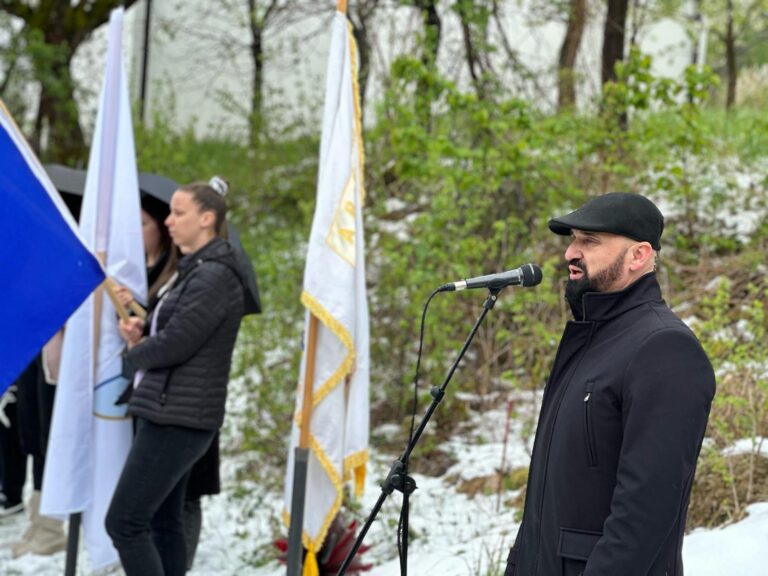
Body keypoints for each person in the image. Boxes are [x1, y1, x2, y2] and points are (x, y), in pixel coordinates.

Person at [505, 192, 716, 576]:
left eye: (589, 241)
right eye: (572, 239)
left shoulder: (665, 348)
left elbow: (644, 514)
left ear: (638, 256)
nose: (571, 252)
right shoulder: (589, 342)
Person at [105, 177, 245, 576]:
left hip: (177, 418)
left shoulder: (215, 275)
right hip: (172, 410)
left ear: (206, 218)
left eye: (178, 212)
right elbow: (173, 333)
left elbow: (178, 343)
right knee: (164, 522)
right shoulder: (195, 270)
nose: (168, 221)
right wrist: (141, 330)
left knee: (125, 522)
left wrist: (135, 353)